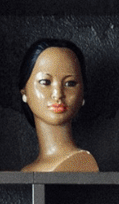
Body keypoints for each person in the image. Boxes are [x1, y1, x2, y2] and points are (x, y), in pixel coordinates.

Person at [18, 38, 98, 172]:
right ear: (24, 92)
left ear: (83, 94)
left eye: (70, 83)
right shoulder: (28, 170)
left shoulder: (80, 163)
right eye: (45, 82)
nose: (58, 94)